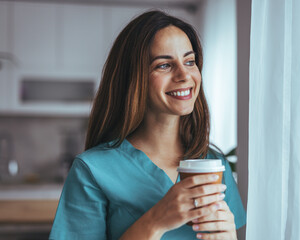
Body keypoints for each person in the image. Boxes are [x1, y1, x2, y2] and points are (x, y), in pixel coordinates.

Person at [49, 10, 246, 240]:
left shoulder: (213, 164)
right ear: (133, 77)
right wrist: (157, 220)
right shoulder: (92, 170)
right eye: (164, 65)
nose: (184, 75)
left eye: (190, 61)